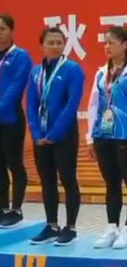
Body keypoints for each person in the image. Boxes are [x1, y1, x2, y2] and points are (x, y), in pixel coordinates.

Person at [86, 26, 127, 249]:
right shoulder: (101, 73)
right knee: (111, 183)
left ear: (125, 45)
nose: (107, 46)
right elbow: (93, 105)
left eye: (112, 42)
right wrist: (90, 137)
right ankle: (112, 226)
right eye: (105, 42)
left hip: (126, 137)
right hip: (103, 135)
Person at [27, 27, 85, 246]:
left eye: (59, 42)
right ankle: (51, 225)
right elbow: (31, 104)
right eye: (50, 43)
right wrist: (36, 133)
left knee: (68, 179)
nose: (55, 46)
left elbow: (72, 104)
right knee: (47, 180)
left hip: (64, 134)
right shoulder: (36, 72)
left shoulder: (72, 69)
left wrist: (54, 133)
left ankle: (70, 227)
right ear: (41, 46)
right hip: (40, 136)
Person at [0, 14, 32, 229]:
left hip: (10, 118)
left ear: (11, 31)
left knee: (14, 163)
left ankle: (16, 208)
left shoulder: (20, 56)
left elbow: (15, 88)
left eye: (2, 29)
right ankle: (2, 207)